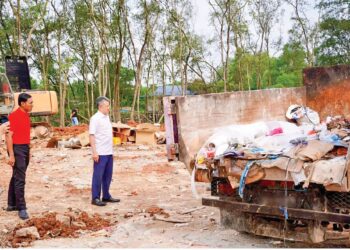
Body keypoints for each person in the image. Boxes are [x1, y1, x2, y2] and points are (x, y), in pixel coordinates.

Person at [6, 93, 33, 220]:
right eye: (30, 102)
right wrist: (11, 155)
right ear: (22, 103)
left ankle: (11, 204)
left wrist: (29, 149)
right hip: (17, 149)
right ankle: (21, 208)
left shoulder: (26, 115)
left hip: (25, 148)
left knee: (16, 175)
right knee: (20, 179)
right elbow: (8, 136)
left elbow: (25, 133)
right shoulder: (14, 116)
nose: (32, 105)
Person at [89, 96, 120, 206]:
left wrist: (111, 151)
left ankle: (106, 195)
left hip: (108, 152)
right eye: (107, 106)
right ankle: (95, 198)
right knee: (98, 175)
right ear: (101, 106)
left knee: (108, 176)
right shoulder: (95, 118)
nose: (109, 108)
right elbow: (92, 135)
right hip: (100, 153)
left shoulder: (106, 117)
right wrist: (94, 152)